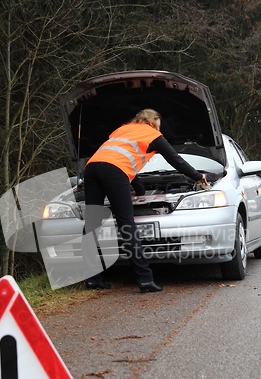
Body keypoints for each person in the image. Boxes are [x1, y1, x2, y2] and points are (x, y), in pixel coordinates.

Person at [83, 109, 208, 292]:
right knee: (126, 223)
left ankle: (92, 278)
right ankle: (144, 279)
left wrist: (139, 189)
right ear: (154, 120)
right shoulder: (153, 134)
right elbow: (176, 160)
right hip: (115, 172)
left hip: (92, 168)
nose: (160, 125)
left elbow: (119, 157)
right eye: (159, 121)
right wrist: (197, 176)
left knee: (91, 224)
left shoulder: (121, 130)